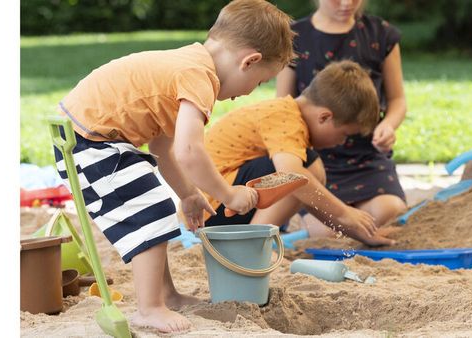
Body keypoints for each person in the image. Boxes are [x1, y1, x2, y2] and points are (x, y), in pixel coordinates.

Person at [52, 0, 294, 333]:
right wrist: (227, 194)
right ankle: (149, 308)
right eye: (260, 82)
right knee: (151, 210)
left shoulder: (190, 62)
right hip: (86, 142)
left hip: (86, 136)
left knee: (155, 205)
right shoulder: (200, 76)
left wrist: (190, 194)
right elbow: (189, 150)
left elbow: (163, 146)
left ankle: (165, 295)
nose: (249, 93)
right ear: (249, 61)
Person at [203, 60, 394, 246]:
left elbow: (310, 198)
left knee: (307, 174)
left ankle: (254, 240)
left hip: (227, 205)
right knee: (303, 171)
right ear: (325, 117)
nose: (341, 143)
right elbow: (292, 177)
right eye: (344, 135)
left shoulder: (288, 117)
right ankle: (254, 245)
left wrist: (355, 230)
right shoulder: (285, 117)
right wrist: (345, 213)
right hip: (218, 208)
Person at [276, 0, 407, 242]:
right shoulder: (294, 37)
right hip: (316, 158)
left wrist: (387, 125)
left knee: (391, 210)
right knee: (325, 231)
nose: (347, 3)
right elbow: (284, 106)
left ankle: (349, 221)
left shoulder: (381, 34)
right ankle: (337, 219)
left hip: (367, 156)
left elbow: (398, 99)